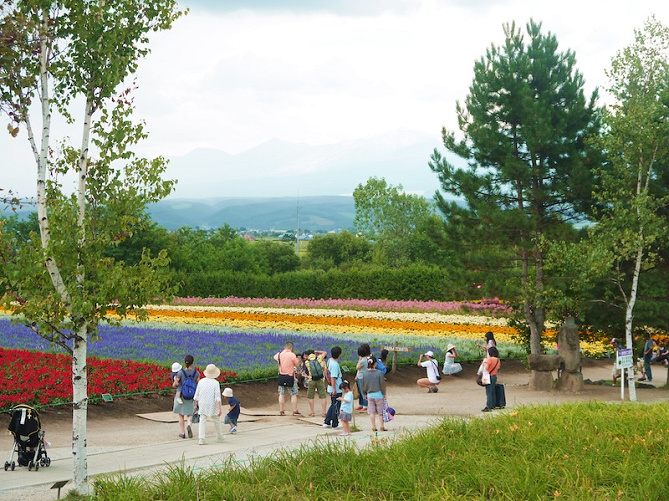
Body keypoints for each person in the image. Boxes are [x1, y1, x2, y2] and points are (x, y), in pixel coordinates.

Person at [193, 363, 225, 445]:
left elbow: (197, 395)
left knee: (202, 421)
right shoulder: (215, 383)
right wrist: (220, 408)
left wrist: (195, 405)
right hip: (212, 404)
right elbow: (217, 397)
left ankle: (201, 438)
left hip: (202, 403)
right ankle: (219, 436)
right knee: (217, 420)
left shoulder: (201, 382)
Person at [172, 354, 200, 439]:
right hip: (191, 395)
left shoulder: (180, 373)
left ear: (185, 363)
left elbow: (175, 385)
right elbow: (199, 383)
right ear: (193, 362)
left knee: (181, 414)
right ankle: (189, 425)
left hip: (182, 396)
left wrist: (175, 381)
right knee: (190, 413)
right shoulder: (196, 372)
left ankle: (183, 433)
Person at [273, 341, 302, 416]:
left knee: (281, 393)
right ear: (291, 347)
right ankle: (294, 410)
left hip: (281, 375)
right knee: (293, 394)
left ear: (285, 347)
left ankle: (281, 409)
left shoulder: (279, 354)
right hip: (290, 376)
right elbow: (297, 364)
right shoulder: (292, 355)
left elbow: (275, 357)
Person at [361, 355, 387, 432]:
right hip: (379, 394)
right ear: (375, 364)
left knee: (371, 412)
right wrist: (384, 393)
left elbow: (363, 385)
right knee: (380, 412)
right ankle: (382, 426)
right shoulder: (379, 373)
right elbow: (382, 384)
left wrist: (365, 393)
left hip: (369, 394)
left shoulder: (365, 373)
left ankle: (373, 426)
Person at [323, 346, 343, 429]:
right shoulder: (335, 365)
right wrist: (335, 389)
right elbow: (333, 377)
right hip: (336, 388)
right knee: (336, 406)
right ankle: (335, 423)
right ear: (339, 355)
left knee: (333, 405)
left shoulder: (330, 361)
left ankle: (327, 421)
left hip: (331, 387)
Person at [304, 349, 328, 418]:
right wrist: (317, 352)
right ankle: (324, 412)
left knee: (310, 396)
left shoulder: (307, 362)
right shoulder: (319, 358)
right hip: (320, 379)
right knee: (323, 396)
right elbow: (325, 352)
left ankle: (312, 412)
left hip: (312, 380)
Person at [482, 347, 501, 412]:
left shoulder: (489, 359)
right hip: (494, 376)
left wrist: (484, 363)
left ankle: (489, 406)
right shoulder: (498, 360)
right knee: (492, 391)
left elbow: (486, 368)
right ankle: (493, 404)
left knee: (489, 391)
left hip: (488, 376)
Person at [355, 344, 371, 411]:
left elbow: (357, 367)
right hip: (360, 376)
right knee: (360, 391)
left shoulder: (363, 360)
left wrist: (359, 360)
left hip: (362, 377)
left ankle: (365, 406)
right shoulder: (364, 359)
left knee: (363, 392)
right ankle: (361, 405)